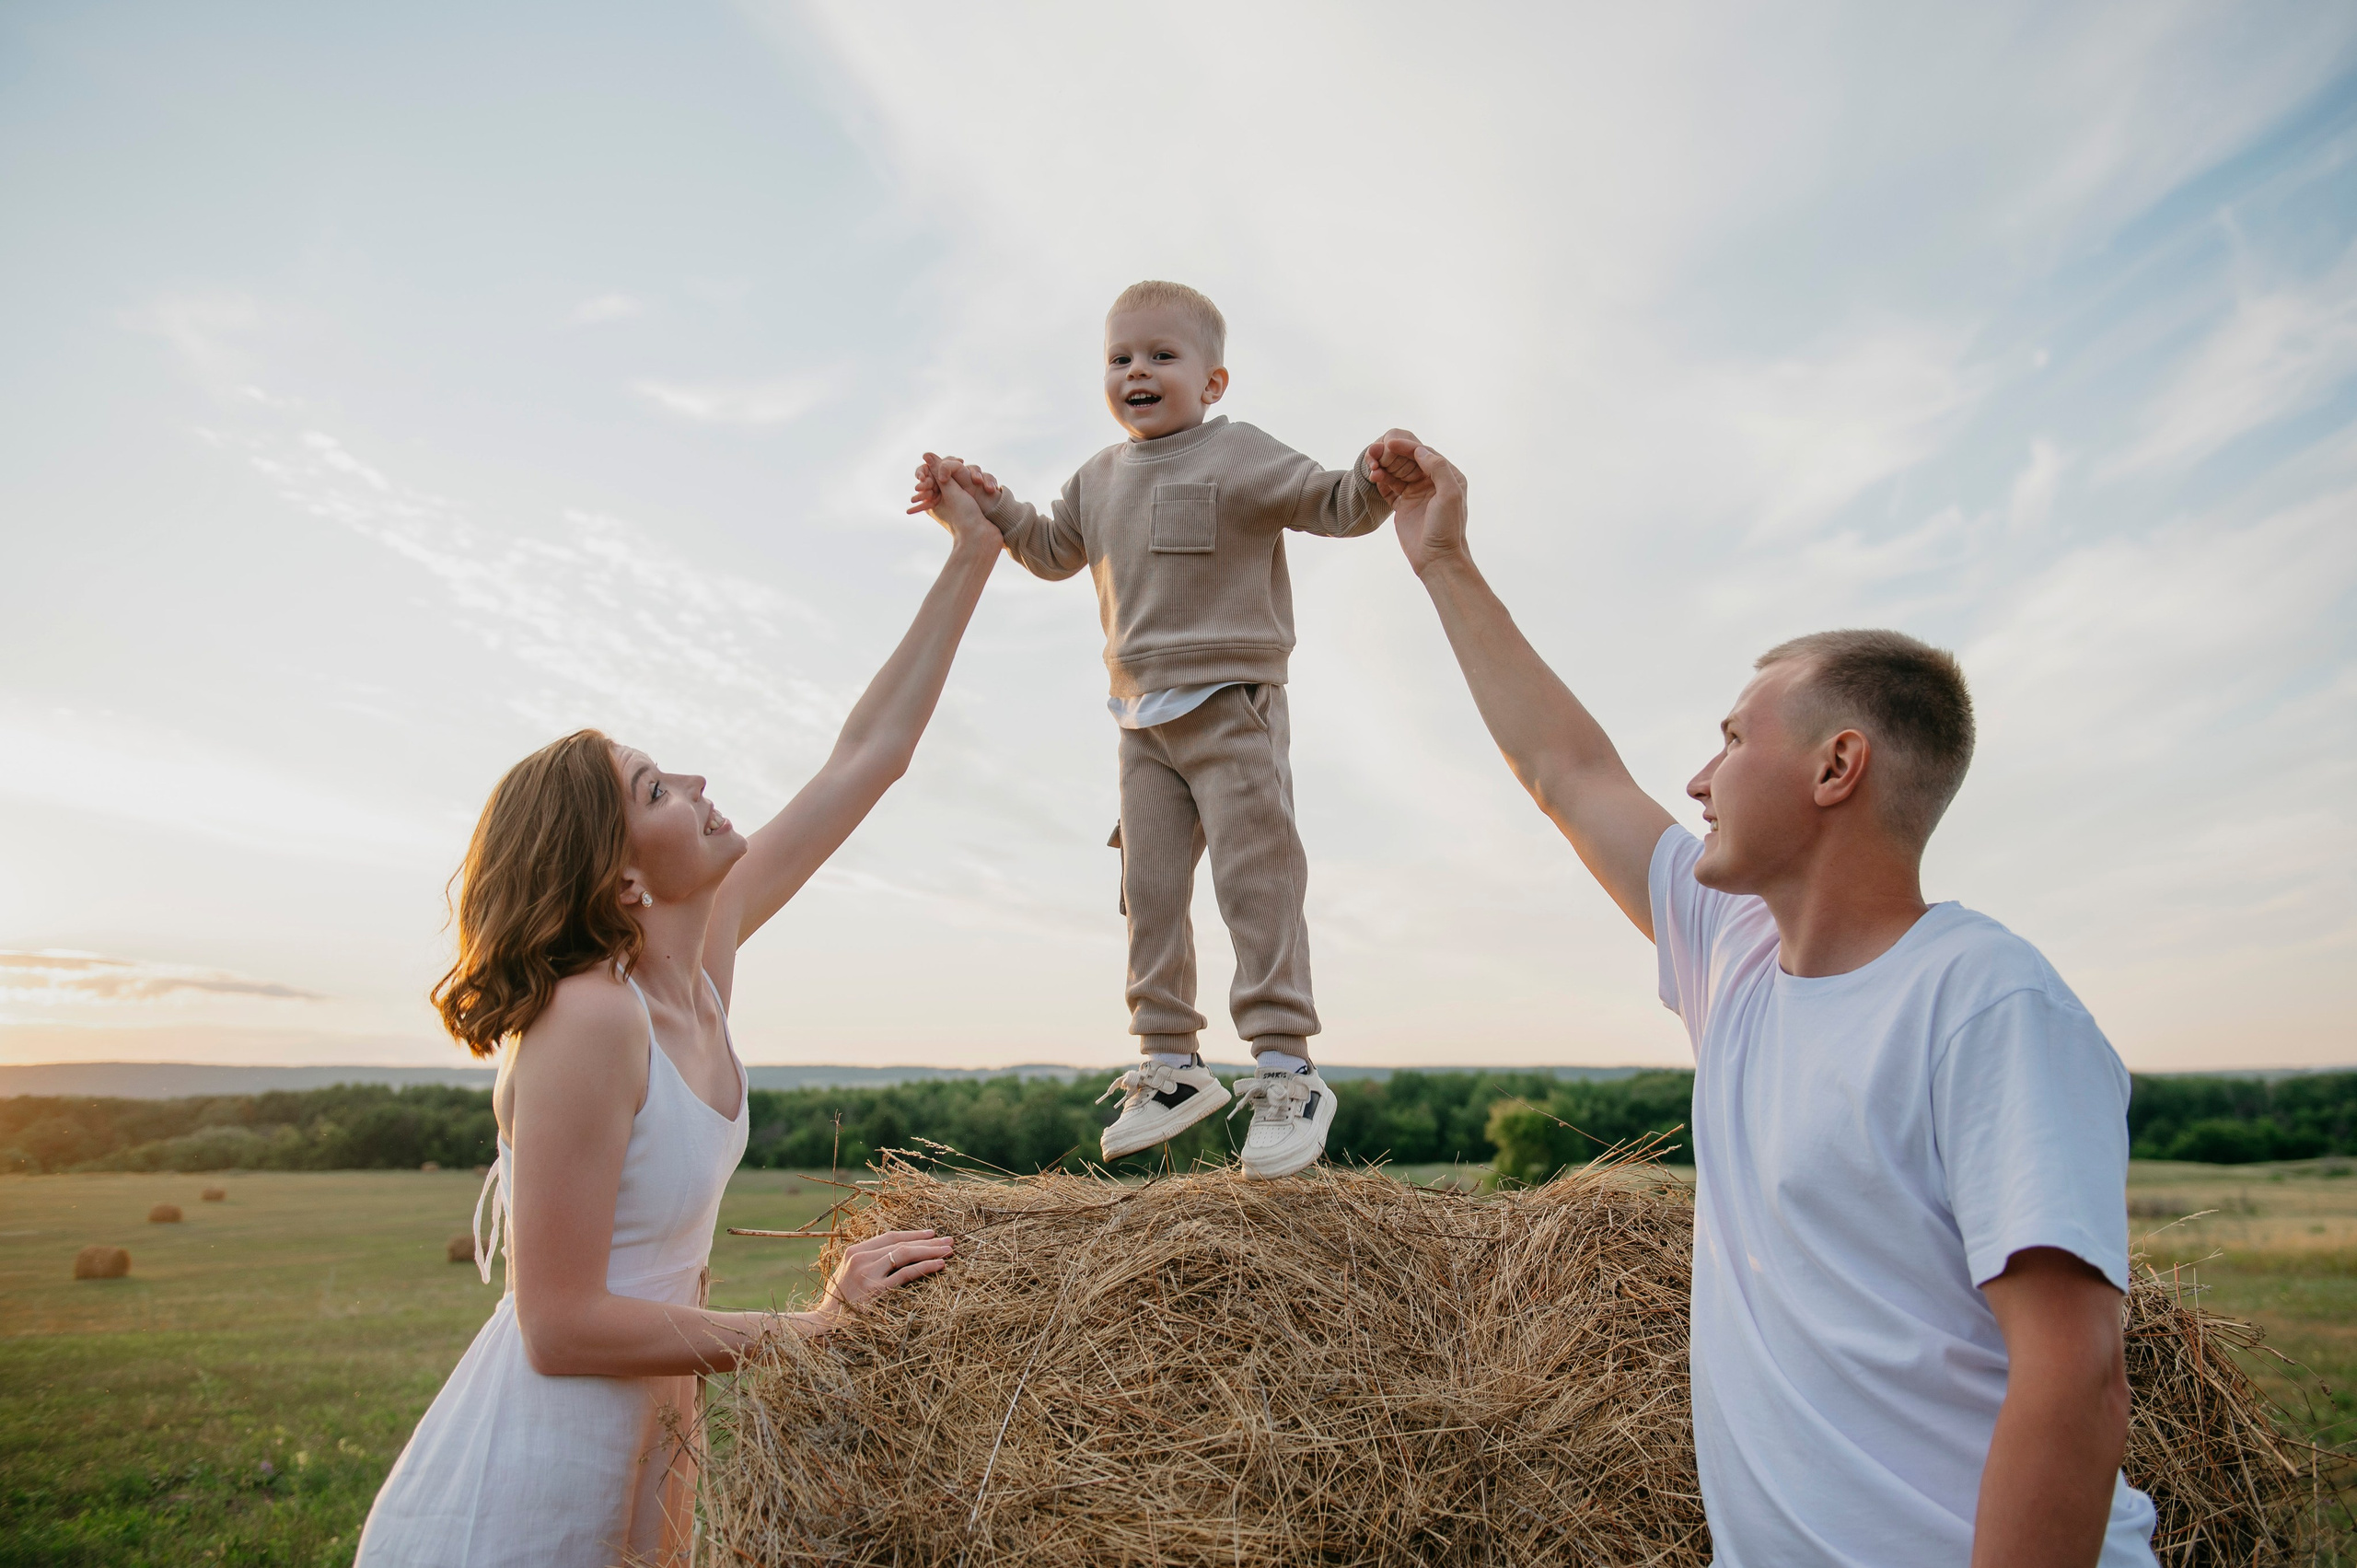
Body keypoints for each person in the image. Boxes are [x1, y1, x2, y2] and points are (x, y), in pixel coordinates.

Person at [1368, 437, 2157, 1568]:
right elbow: (1568, 770)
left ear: (1836, 768)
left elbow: (2075, 1362)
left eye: (1733, 737)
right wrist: (1442, 562)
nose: (1697, 778)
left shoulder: (1984, 1000)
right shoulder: (1732, 959)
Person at [354, 462, 997, 1568]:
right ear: (619, 883)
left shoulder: (698, 969)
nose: (697, 780)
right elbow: (557, 1326)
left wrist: (970, 557)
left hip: (636, 1450)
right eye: (655, 788)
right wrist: (814, 1329)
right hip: (518, 1493)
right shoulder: (588, 1020)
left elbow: (867, 758)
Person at [908, 279, 1417, 1178]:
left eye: (1160, 355)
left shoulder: (1241, 454)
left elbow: (1334, 503)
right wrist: (985, 504)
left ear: (1213, 382)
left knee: (1255, 883)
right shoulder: (1097, 478)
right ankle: (1171, 1062)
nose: (1136, 369)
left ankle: (1285, 1066)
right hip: (1139, 725)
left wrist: (1378, 475)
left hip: (1232, 709)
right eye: (1119, 357)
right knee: (1147, 891)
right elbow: (1049, 548)